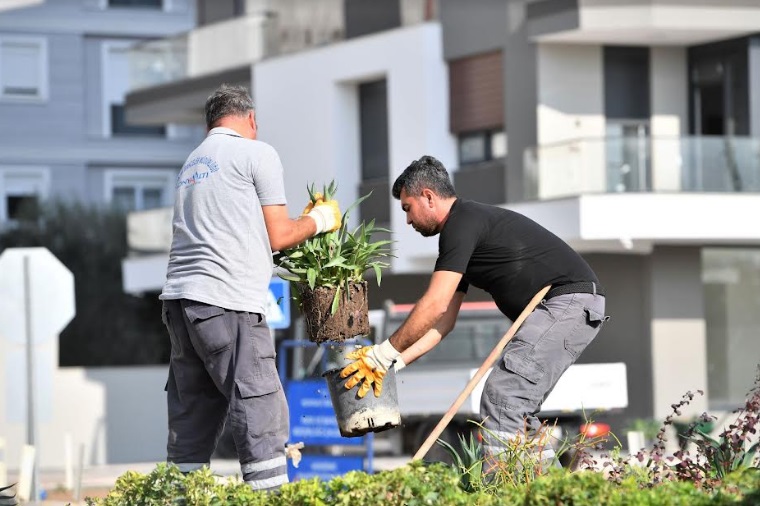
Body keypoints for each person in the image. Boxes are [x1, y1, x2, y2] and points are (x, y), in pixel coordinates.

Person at [340, 155, 608, 467]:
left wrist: (382, 352)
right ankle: (550, 493)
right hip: (569, 305)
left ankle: (516, 495)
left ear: (427, 196)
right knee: (516, 409)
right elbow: (443, 324)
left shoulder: (462, 222)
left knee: (504, 398)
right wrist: (393, 364)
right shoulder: (463, 234)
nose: (408, 220)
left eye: (407, 208)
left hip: (567, 302)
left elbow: (434, 304)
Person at [159, 84, 341, 491]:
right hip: (228, 302)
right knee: (259, 403)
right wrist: (321, 221)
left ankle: (177, 497)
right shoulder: (256, 153)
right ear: (251, 119)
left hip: (180, 302)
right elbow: (279, 235)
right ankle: (269, 498)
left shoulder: (192, 163)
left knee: (194, 412)